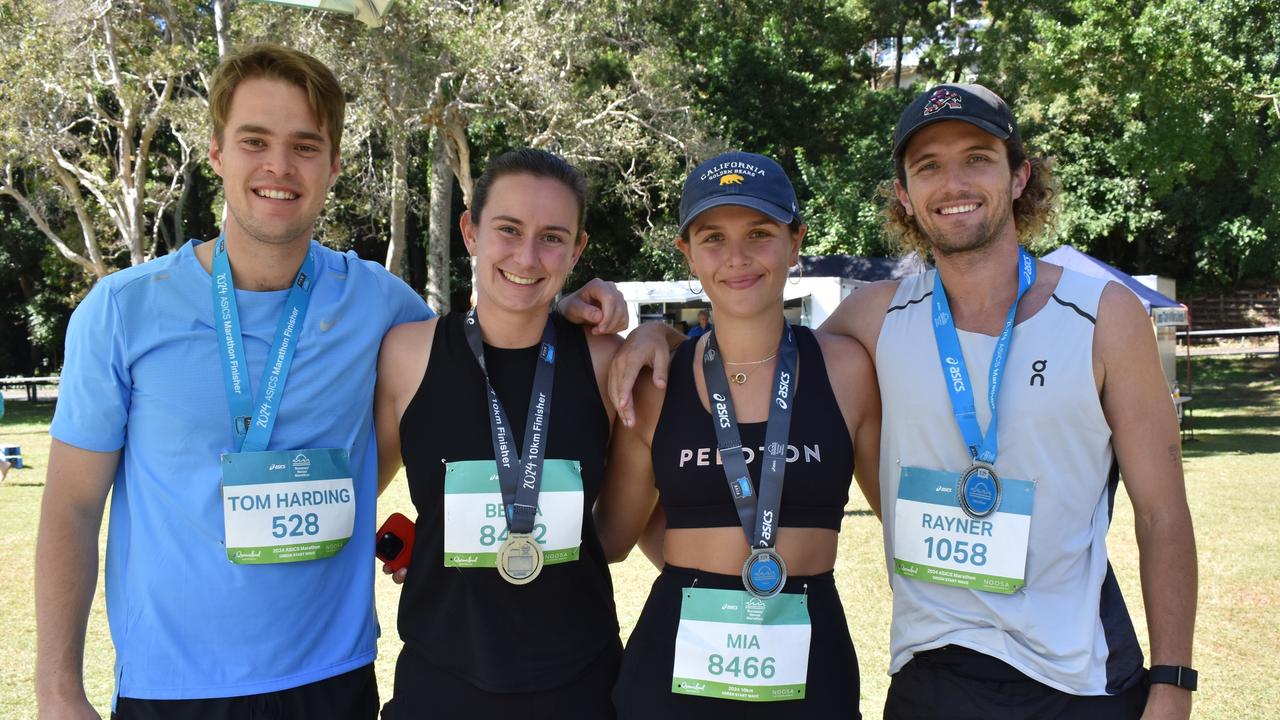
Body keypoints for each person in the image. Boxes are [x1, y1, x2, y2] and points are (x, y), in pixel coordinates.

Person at [35, 44, 623, 720]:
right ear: (217, 154)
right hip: (173, 689)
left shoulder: (381, 306)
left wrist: (572, 306)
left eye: (305, 146)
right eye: (254, 140)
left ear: (334, 164)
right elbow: (72, 508)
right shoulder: (123, 311)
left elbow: (490, 338)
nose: (279, 167)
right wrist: (56, 692)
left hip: (333, 679)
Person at [612, 85, 1198, 720]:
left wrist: (1172, 682)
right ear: (903, 193)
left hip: (1078, 676)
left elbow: (1163, 514)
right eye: (928, 166)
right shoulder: (873, 320)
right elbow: (749, 346)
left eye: (977, 158)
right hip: (932, 672)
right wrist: (663, 338)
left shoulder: (1103, 316)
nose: (953, 183)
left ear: (1020, 174)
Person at [597, 151, 880, 718]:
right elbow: (610, 539)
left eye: (759, 233)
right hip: (675, 668)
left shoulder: (848, 372)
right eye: (713, 238)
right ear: (688, 254)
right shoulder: (657, 382)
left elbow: (899, 533)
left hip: (808, 663)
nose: (737, 258)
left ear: (794, 241)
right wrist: (696, 566)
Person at [374, 149, 624, 718]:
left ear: (578, 249)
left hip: (580, 684)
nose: (527, 256)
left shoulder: (608, 361)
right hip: (442, 683)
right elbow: (360, 487)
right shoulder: (406, 355)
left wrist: (663, 339)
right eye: (508, 230)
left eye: (552, 237)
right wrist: (427, 547)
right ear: (470, 230)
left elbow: (618, 535)